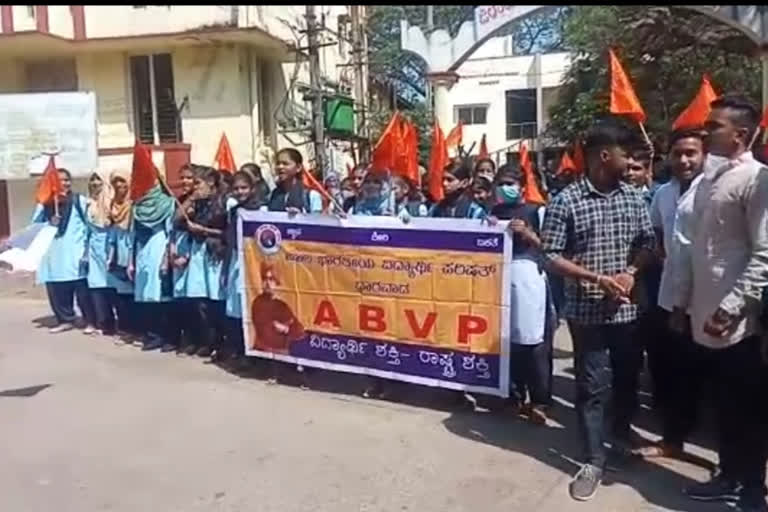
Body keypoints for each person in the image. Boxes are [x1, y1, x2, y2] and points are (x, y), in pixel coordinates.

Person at [540, 118, 655, 502]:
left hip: (625, 311)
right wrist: (595, 278)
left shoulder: (633, 197)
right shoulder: (565, 202)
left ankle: (617, 439)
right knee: (591, 386)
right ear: (605, 156)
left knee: (626, 380)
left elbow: (647, 243)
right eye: (626, 154)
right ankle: (592, 458)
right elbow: (551, 255)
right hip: (586, 313)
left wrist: (629, 272)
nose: (631, 161)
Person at [673, 95, 768, 512]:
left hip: (738, 322)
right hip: (704, 316)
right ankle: (728, 475)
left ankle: (750, 490)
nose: (704, 130)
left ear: (741, 135)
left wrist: (731, 307)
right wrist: (685, 304)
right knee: (724, 407)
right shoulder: (710, 180)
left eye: (714, 126)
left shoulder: (757, 179)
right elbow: (698, 250)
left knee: (747, 409)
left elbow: (764, 253)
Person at [635, 129, 705, 460]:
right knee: (674, 372)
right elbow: (658, 235)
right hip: (669, 297)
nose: (684, 160)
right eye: (678, 153)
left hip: (709, 300)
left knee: (723, 381)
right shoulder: (664, 194)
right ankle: (673, 440)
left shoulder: (716, 192)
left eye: (691, 152)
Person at [488, 164, 554, 424]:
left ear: (522, 186)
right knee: (506, 341)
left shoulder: (536, 211)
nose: (506, 188)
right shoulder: (494, 212)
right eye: (501, 183)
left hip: (530, 283)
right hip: (501, 280)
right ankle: (512, 395)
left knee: (534, 343)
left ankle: (540, 401)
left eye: (510, 182)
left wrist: (527, 233)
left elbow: (552, 248)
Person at [33, 168, 96, 334]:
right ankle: (65, 319)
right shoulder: (45, 204)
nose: (65, 183)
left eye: (67, 179)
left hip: (75, 252)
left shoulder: (79, 201)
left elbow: (91, 225)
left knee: (82, 289)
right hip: (54, 254)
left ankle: (90, 320)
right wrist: (49, 222)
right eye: (60, 180)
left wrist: (87, 251)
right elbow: (35, 227)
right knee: (57, 288)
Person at [178, 166, 228, 357]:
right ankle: (206, 341)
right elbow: (177, 219)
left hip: (215, 254)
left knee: (216, 301)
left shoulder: (223, 202)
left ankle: (221, 343)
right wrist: (191, 199)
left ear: (211, 184)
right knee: (199, 301)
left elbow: (228, 232)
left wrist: (205, 231)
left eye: (198, 183)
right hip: (199, 253)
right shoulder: (197, 203)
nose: (194, 187)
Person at [220, 170, 266, 367]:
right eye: (236, 188)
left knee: (252, 307)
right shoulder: (234, 211)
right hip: (236, 260)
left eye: (244, 188)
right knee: (235, 308)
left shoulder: (261, 209)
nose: (240, 192)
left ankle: (256, 357)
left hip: (254, 263)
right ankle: (240, 352)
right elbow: (230, 238)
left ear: (252, 188)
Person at [128, 175, 177, 351]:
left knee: (161, 295)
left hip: (159, 249)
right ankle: (151, 335)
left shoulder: (167, 204)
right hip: (142, 253)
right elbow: (132, 236)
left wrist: (166, 259)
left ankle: (167, 337)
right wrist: (131, 262)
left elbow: (171, 233)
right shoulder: (137, 206)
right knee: (145, 296)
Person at [85, 171, 118, 336]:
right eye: (92, 180)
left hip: (110, 245)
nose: (95, 183)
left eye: (98, 179)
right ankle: (103, 321)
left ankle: (116, 322)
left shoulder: (112, 202)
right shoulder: (88, 203)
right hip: (94, 248)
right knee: (96, 285)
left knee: (112, 284)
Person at [107, 169, 137, 342]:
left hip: (131, 252)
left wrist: (132, 259)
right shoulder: (113, 205)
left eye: (123, 181)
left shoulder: (134, 205)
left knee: (132, 294)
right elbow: (112, 231)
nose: (119, 186)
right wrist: (110, 256)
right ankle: (125, 328)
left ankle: (135, 329)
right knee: (120, 295)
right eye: (116, 182)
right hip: (117, 252)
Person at [250, 262, 305, 354]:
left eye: (271, 279)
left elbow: (299, 330)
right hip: (264, 351)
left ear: (276, 282)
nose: (267, 283)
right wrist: (283, 326)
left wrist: (286, 329)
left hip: (282, 352)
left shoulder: (282, 305)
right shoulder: (258, 303)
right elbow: (266, 329)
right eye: (264, 278)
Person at [267, 148, 324, 214]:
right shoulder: (272, 196)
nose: (280, 167)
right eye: (278, 163)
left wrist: (301, 216)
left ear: (298, 168)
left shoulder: (311, 196)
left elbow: (317, 222)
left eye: (285, 164)